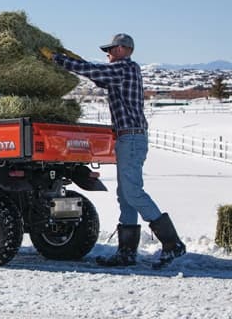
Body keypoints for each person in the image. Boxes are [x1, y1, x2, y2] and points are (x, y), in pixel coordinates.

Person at [41, 34, 186, 268]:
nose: (106, 54)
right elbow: (99, 78)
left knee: (133, 193)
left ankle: (172, 243)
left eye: (109, 49)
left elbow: (94, 72)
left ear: (121, 49)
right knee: (125, 196)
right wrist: (76, 61)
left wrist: (59, 59)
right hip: (128, 138)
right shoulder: (122, 72)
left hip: (131, 138)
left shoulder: (124, 68)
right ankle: (126, 253)